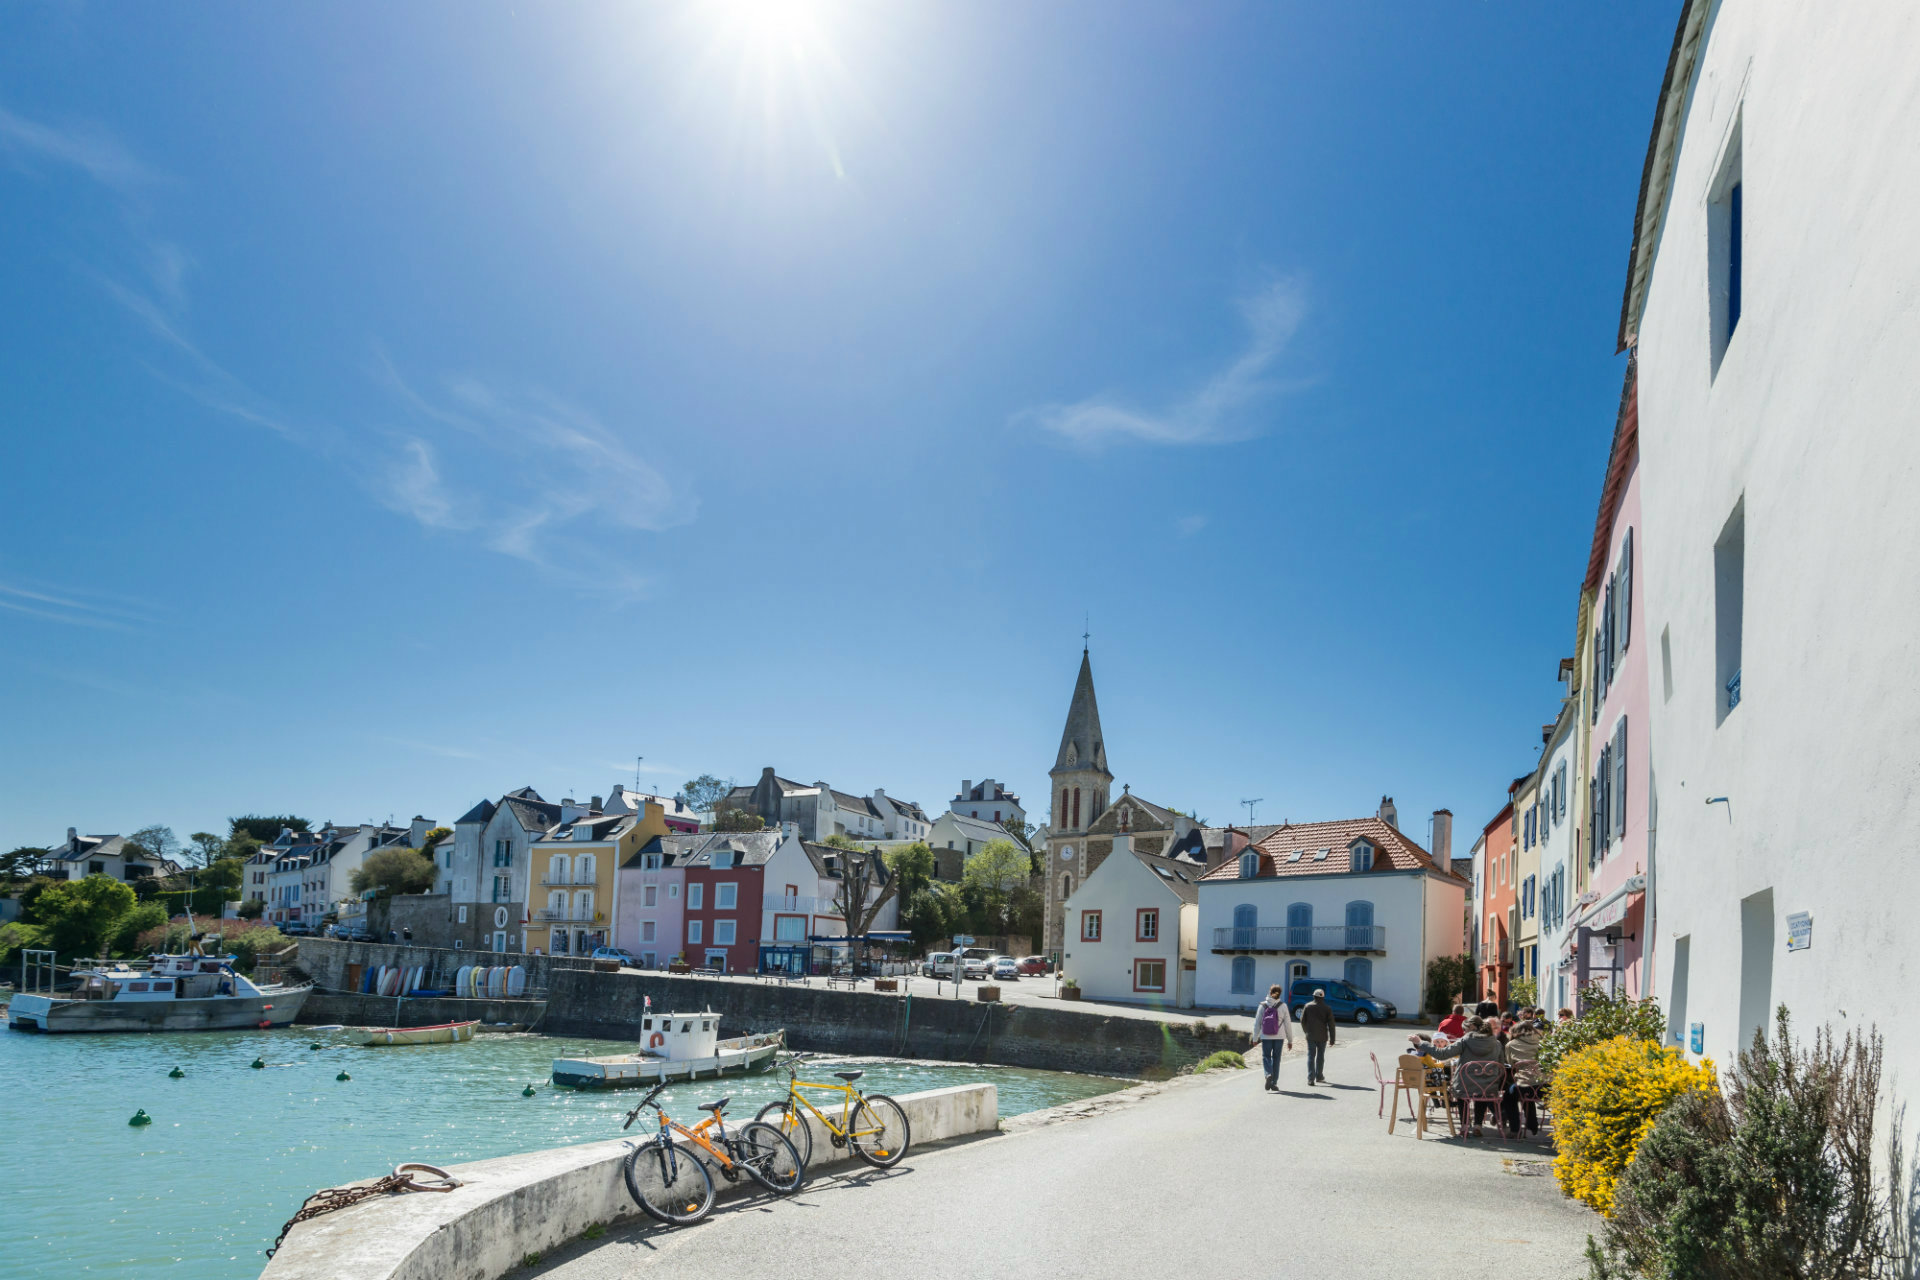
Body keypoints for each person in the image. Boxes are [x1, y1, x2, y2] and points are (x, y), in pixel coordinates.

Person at [1411, 1017, 1507, 1136]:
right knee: (1482, 1089)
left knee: (1464, 1091)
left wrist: (1420, 1043)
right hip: (1489, 1085)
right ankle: (1478, 1125)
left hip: (1465, 1085)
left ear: (1471, 1028)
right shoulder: (1496, 1043)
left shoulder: (1465, 1040)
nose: (1463, 1032)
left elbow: (1442, 1054)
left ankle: (1464, 1126)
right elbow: (1501, 1065)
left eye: (1464, 1030)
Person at [1249, 984, 1296, 1092]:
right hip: (1279, 1036)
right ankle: (1274, 1082)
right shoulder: (1283, 1006)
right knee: (1276, 1058)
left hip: (1266, 1036)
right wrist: (1290, 1040)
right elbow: (1288, 1024)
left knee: (1266, 1056)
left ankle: (1268, 1074)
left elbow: (1257, 1024)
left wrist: (1255, 1038)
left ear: (1269, 992)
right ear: (1280, 993)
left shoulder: (1262, 1005)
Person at [1504, 1018, 1544, 1135]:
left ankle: (1515, 1129)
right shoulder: (1543, 1042)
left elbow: (1511, 1064)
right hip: (1545, 1086)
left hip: (1524, 1085)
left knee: (1509, 1097)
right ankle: (1532, 1125)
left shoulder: (1511, 1045)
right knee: (1526, 1090)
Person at [1300, 988, 1337, 1085]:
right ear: (1323, 997)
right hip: (1322, 1036)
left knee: (1311, 1056)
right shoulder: (1327, 1008)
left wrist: (1306, 1031)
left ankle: (1310, 1078)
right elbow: (1331, 1025)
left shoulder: (1307, 1006)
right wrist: (1332, 1039)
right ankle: (1319, 1076)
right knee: (1320, 1057)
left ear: (1314, 996)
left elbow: (1302, 1021)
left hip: (1311, 1036)